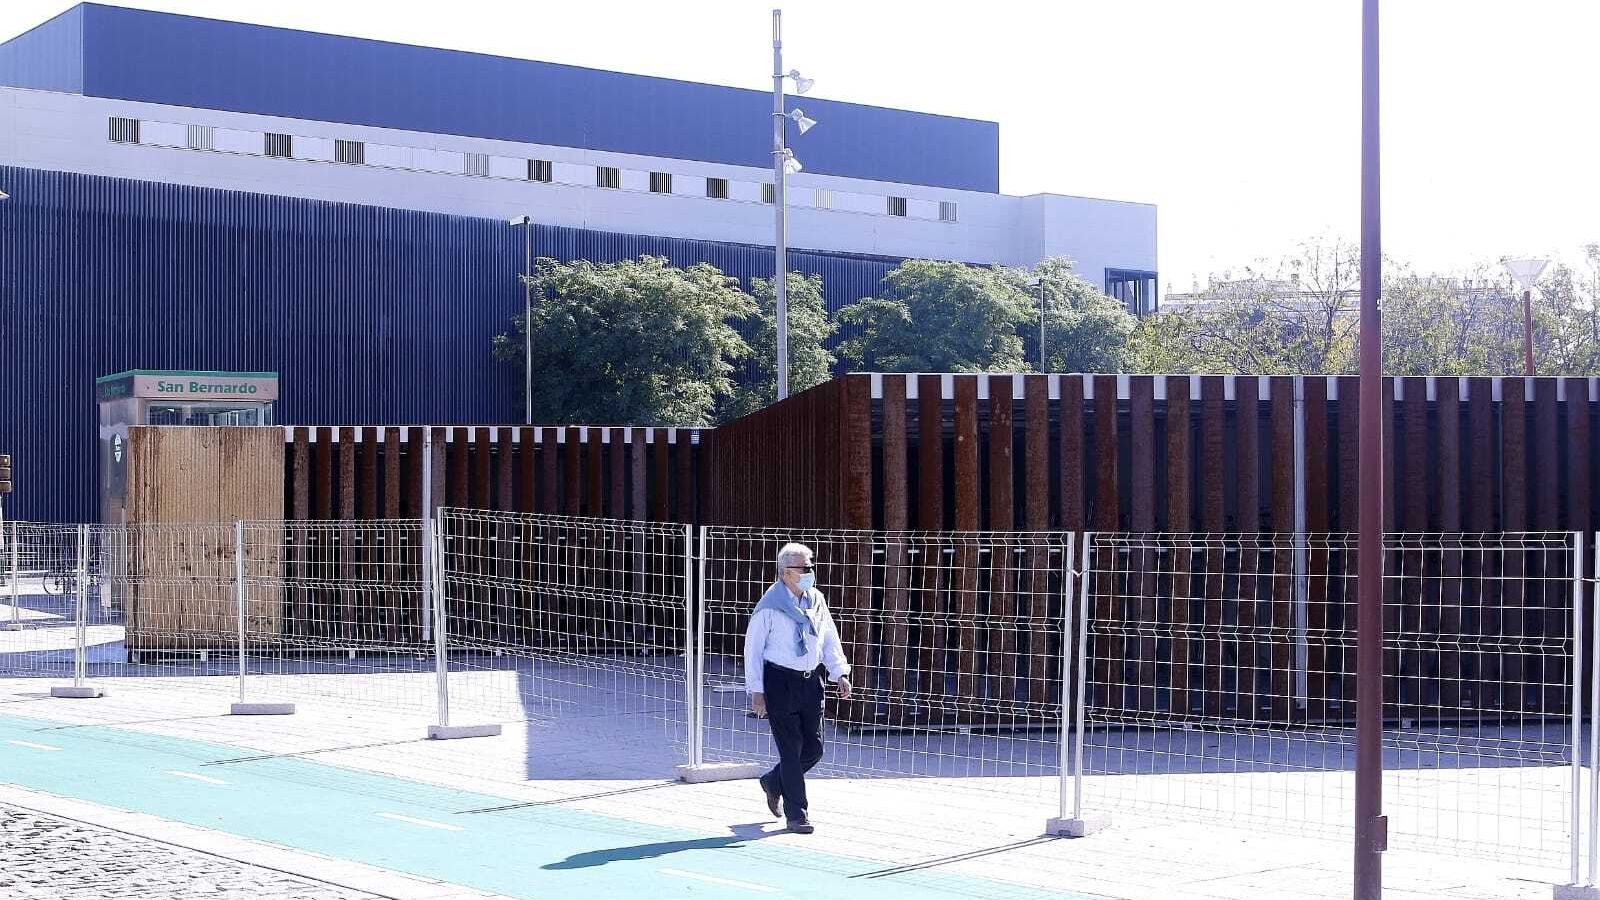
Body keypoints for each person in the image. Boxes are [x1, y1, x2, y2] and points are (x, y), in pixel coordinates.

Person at [745, 542, 851, 834]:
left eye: (811, 566)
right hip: (780, 682)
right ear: (785, 572)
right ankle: (797, 814)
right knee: (791, 751)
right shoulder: (769, 606)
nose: (810, 572)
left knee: (813, 749)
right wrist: (757, 691)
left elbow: (829, 637)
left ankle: (773, 781)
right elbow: (753, 650)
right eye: (804, 568)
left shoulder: (815, 600)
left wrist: (839, 672)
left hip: (810, 681)